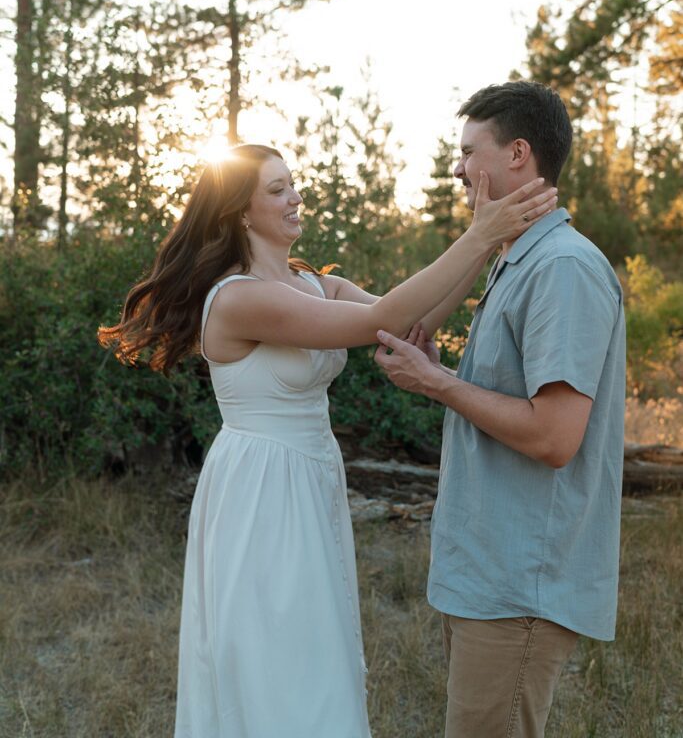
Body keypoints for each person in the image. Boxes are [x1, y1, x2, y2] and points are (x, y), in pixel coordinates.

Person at [98, 142, 557, 738]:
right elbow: (374, 323)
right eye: (277, 190)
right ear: (240, 210)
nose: (295, 198)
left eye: (294, 184)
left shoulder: (312, 285)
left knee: (318, 652)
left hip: (312, 476)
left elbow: (410, 321)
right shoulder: (238, 298)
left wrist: (484, 235)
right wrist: (478, 236)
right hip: (259, 488)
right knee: (274, 661)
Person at [374, 81, 626, 738]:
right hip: (489, 578)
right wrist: (482, 243)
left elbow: (553, 437)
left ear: (516, 154)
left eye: (466, 151)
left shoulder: (563, 268)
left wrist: (438, 384)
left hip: (521, 589)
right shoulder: (516, 261)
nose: (456, 168)